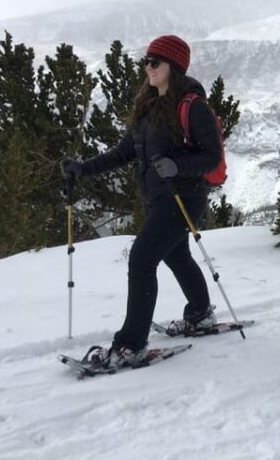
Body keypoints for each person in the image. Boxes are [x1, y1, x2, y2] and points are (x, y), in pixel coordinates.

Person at [60, 35, 222, 367]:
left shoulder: (193, 106)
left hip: (184, 198)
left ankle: (130, 345)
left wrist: (178, 166)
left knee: (142, 260)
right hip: (157, 197)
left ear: (172, 67)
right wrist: (82, 170)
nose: (148, 68)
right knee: (176, 256)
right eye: (146, 61)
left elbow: (211, 157)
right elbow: (125, 152)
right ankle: (201, 314)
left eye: (155, 62)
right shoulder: (148, 107)